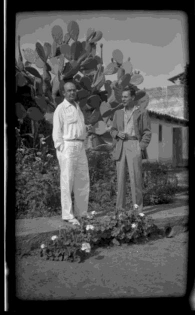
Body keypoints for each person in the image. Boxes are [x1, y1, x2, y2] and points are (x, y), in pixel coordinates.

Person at [52, 81, 91, 226]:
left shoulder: (77, 107)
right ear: (64, 93)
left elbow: (78, 127)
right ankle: (68, 215)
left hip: (80, 146)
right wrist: (61, 148)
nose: (72, 93)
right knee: (67, 180)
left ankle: (82, 213)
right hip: (68, 146)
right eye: (69, 91)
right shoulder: (61, 109)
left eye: (74, 90)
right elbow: (57, 131)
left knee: (83, 179)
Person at [110, 86, 151, 213]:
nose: (123, 99)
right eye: (122, 97)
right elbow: (112, 129)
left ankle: (138, 210)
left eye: (126, 96)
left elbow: (147, 132)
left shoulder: (142, 112)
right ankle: (120, 210)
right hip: (121, 146)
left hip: (134, 144)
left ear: (133, 97)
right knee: (120, 179)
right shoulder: (118, 113)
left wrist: (141, 147)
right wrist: (117, 134)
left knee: (136, 179)